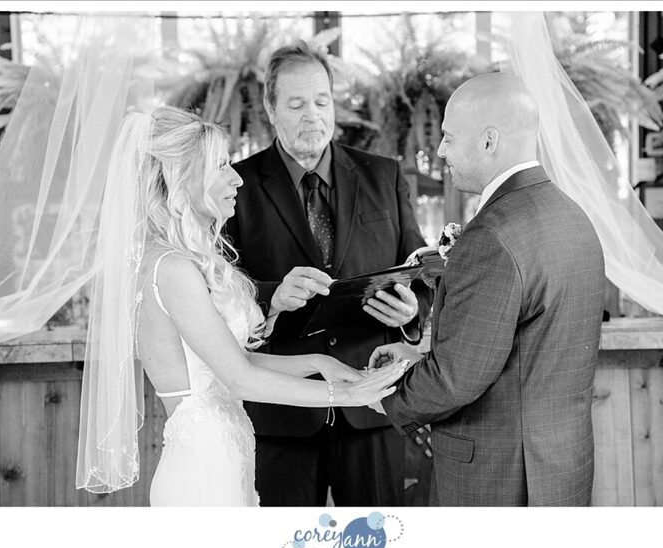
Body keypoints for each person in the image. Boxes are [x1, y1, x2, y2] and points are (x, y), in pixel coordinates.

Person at [75, 106, 408, 506]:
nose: (236, 178)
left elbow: (231, 363)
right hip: (202, 472)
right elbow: (239, 380)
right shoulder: (172, 268)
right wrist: (346, 395)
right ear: (182, 178)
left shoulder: (180, 259)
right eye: (220, 166)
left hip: (225, 458)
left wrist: (320, 363)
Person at [369, 72, 606, 506]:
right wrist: (413, 358)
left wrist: (376, 395)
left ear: (489, 141)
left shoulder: (491, 236)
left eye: (448, 138)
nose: (440, 152)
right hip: (561, 467)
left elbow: (455, 380)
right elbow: (518, 352)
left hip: (499, 477)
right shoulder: (573, 217)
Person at [225, 42, 431, 507]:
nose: (312, 115)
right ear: (271, 109)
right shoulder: (236, 186)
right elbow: (219, 286)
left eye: (322, 101)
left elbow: (419, 270)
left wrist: (413, 309)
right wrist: (272, 298)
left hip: (373, 404)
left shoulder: (384, 175)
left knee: (379, 547)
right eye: (296, 104)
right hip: (282, 414)